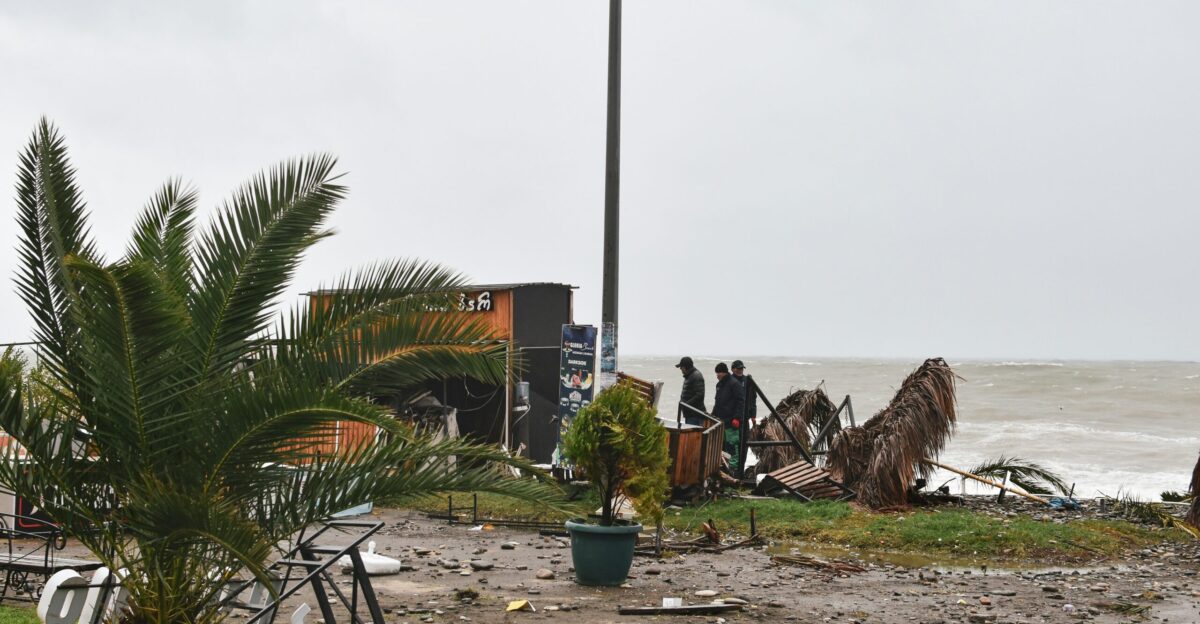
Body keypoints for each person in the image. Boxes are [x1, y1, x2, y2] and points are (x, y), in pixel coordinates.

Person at [712, 362, 746, 470]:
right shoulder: (719, 385)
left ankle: (734, 469)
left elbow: (741, 402)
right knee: (722, 446)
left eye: (718, 373)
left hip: (732, 421)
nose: (717, 376)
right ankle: (725, 467)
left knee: (732, 445)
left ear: (724, 372)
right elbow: (717, 402)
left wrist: (737, 418)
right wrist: (712, 416)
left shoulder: (734, 384)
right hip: (721, 421)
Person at [675, 356, 706, 426]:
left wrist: (686, 404)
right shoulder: (689, 376)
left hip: (695, 414)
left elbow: (700, 394)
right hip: (690, 414)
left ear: (685, 367)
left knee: (694, 435)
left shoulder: (696, 376)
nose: (680, 369)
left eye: (681, 367)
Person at [731, 359, 756, 427]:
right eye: (738, 368)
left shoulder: (747, 380)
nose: (740, 370)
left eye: (741, 368)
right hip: (731, 417)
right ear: (732, 369)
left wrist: (753, 415)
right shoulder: (728, 381)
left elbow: (753, 398)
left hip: (745, 416)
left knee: (745, 436)